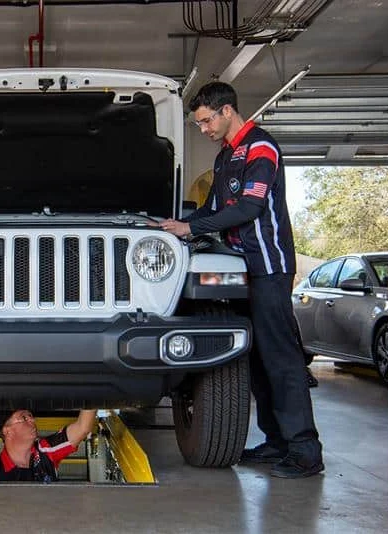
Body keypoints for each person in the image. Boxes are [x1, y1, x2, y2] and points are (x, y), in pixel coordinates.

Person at [160, 81, 324, 478]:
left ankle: (305, 450)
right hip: (240, 267)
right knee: (257, 358)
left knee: (281, 358)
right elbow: (213, 208)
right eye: (198, 123)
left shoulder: (260, 148)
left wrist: (189, 229)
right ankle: (276, 441)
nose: (203, 129)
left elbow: (249, 207)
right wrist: (175, 224)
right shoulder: (225, 158)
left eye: (205, 121)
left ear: (227, 110)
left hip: (268, 266)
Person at [0, 409, 97, 483]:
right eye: (24, 418)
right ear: (7, 431)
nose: (33, 420)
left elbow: (83, 428)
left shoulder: (46, 450)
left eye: (31, 416)